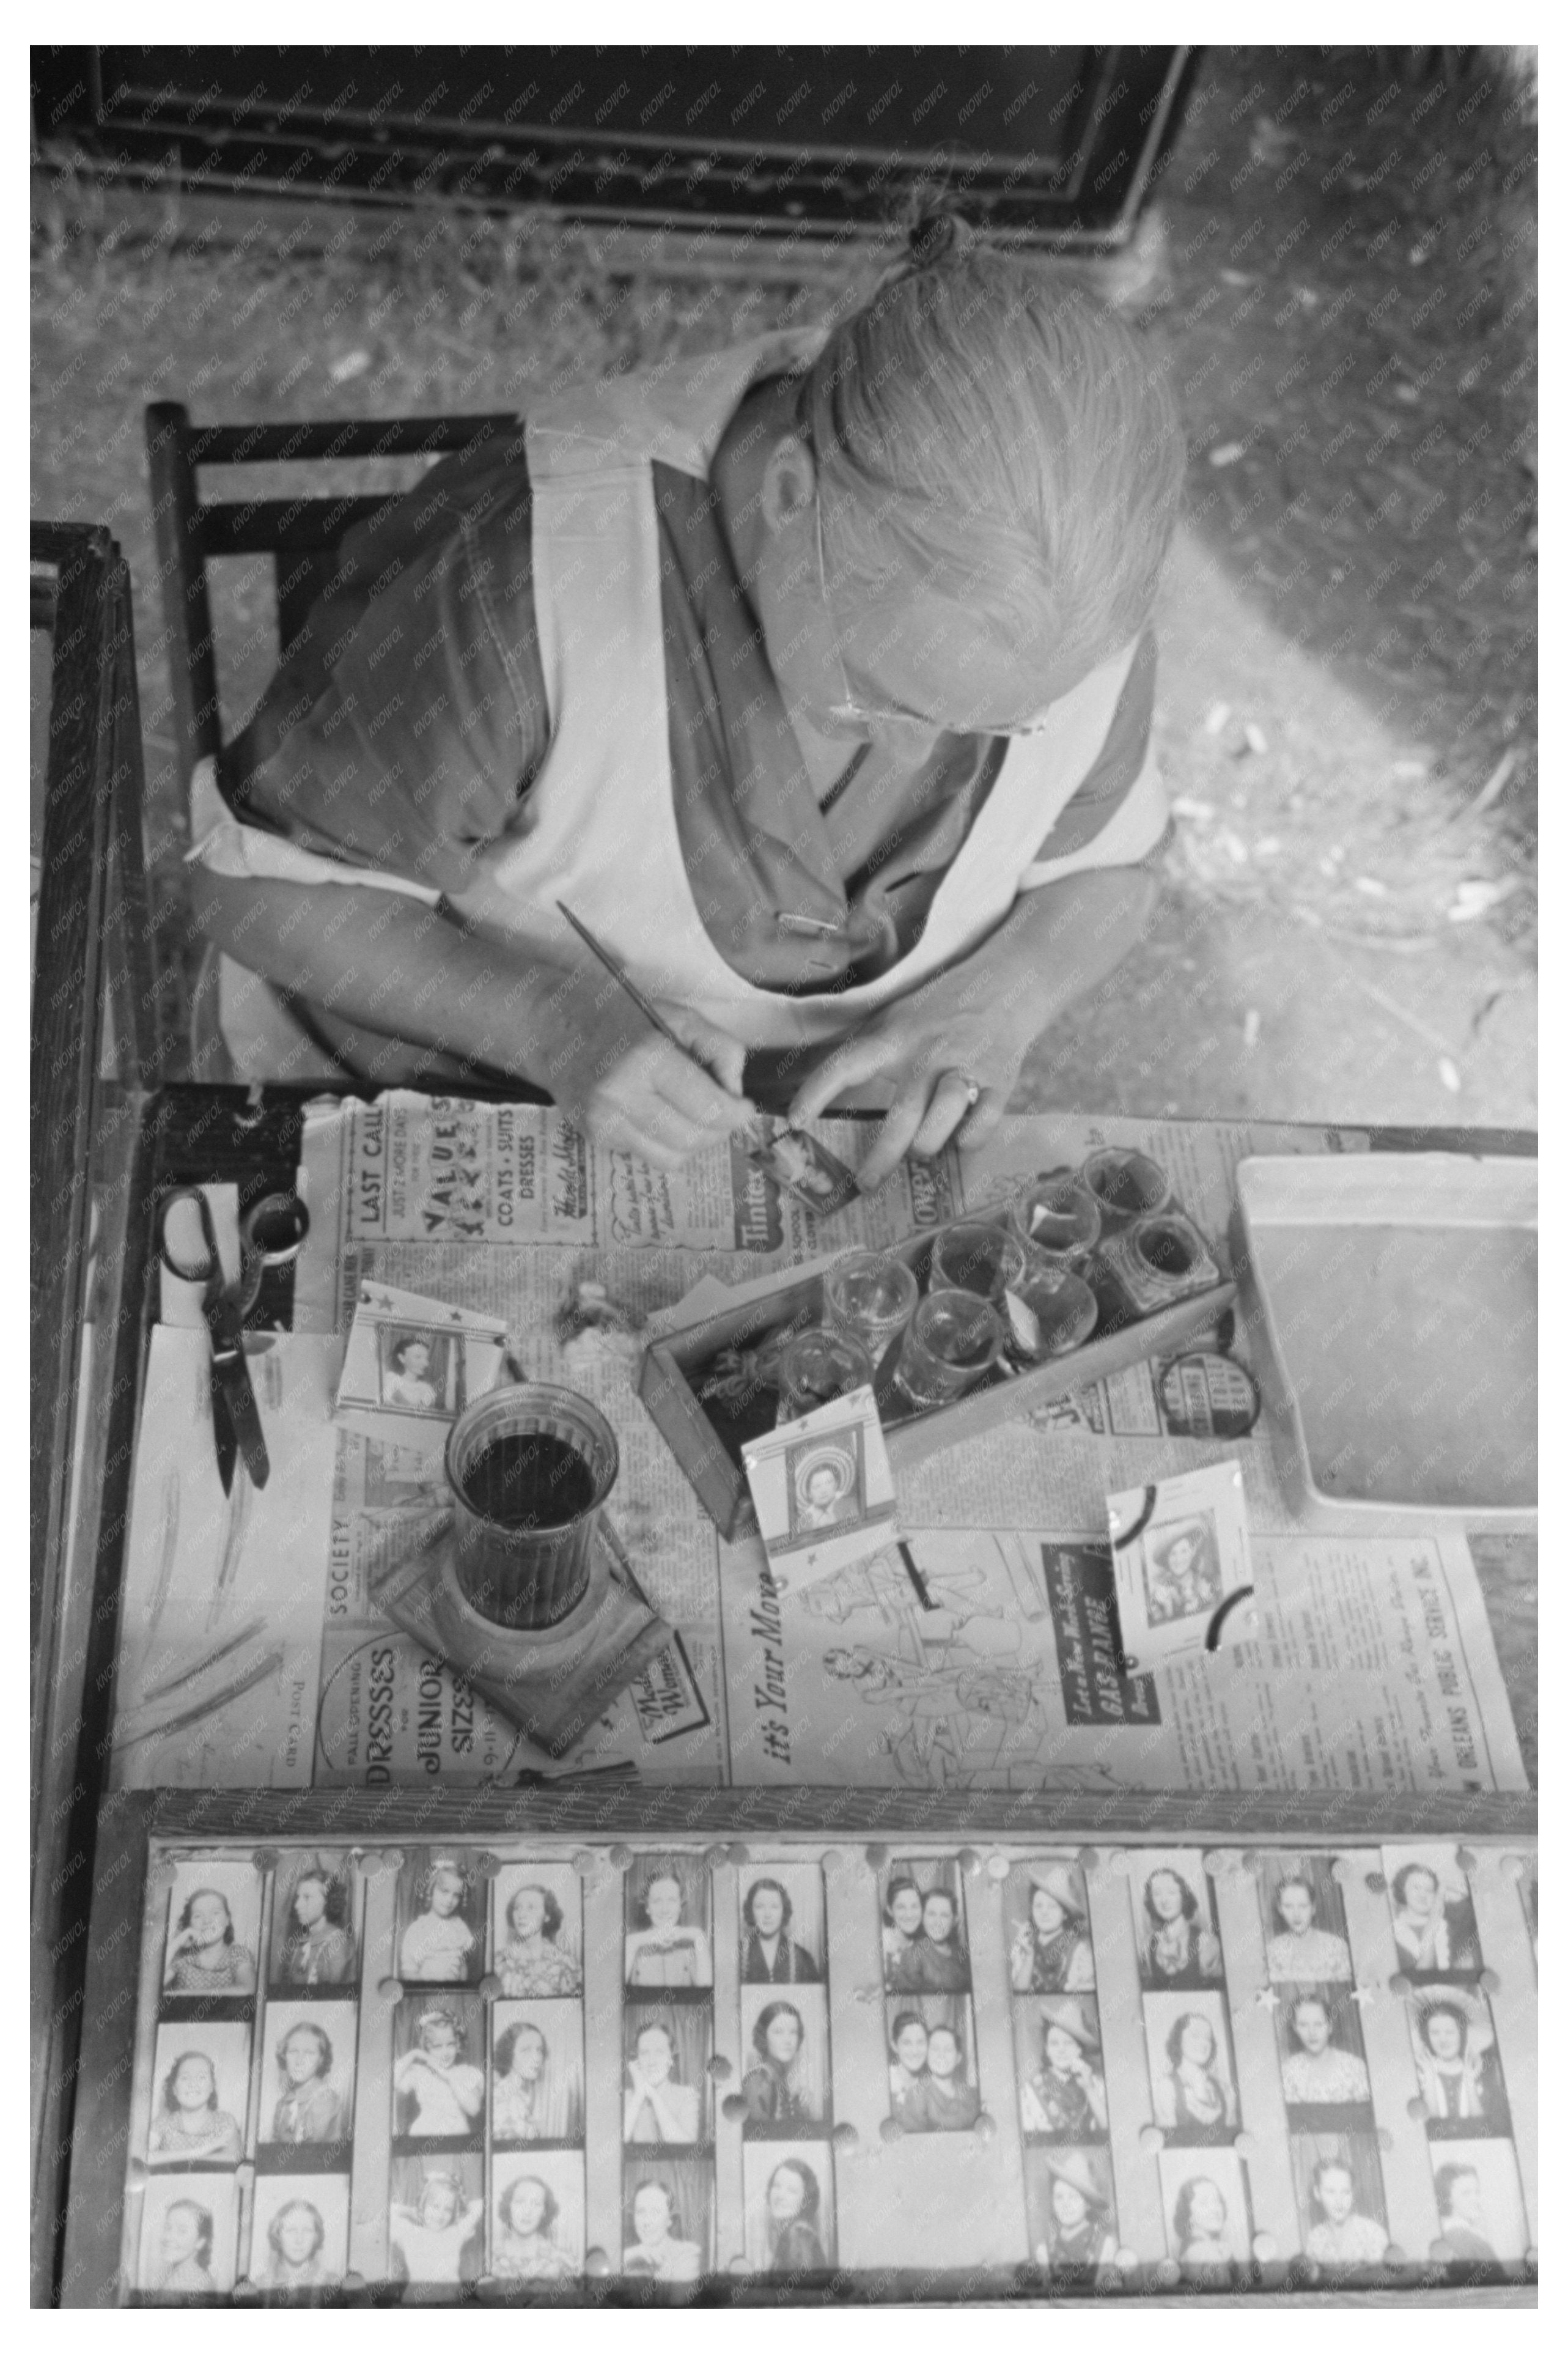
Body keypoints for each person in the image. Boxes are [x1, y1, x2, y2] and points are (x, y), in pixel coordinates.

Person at [187, 225, 1182, 1189]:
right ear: (791, 490)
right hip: (455, 1105)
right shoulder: (514, 577)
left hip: (820, 1155)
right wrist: (549, 1024)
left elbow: (1106, 872)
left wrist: (1006, 996)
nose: (919, 754)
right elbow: (251, 892)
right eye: (880, 696)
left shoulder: (1067, 598)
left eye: (1002, 726)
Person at [1412, 1994, 1509, 2130]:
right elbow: (1428, 2129)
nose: (1443, 2040)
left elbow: (1482, 2128)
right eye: (1435, 2033)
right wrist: (1429, 2078)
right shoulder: (1418, 2071)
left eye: (1450, 2032)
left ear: (1462, 2033)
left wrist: (1470, 2082)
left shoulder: (1481, 2069)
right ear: (1427, 2036)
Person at [1019, 1999, 1109, 2139]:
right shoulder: (1030, 2091)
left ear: (1079, 2050)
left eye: (1068, 2043)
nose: (1062, 2050)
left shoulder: (1096, 2084)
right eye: (1054, 2043)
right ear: (1047, 2050)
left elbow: (1108, 2128)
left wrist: (1088, 2087)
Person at [394, 2006, 485, 2139]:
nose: (445, 2053)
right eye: (437, 2046)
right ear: (427, 2048)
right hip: (423, 2135)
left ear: (458, 2044)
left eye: (451, 2044)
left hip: (457, 2137)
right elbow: (392, 2083)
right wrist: (415, 2054)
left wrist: (448, 2076)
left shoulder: (467, 2073)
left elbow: (474, 2109)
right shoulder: (421, 2073)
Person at [1009, 1864, 1095, 1994]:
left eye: (1053, 1906)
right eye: (1038, 1906)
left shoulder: (1079, 1950)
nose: (1044, 1912)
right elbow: (1019, 1994)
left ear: (1065, 1914)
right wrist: (1028, 1956)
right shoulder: (1024, 1944)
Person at [148, 2051, 245, 2166]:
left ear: (212, 2087)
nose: (193, 2084)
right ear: (174, 2088)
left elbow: (235, 2159)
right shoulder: (163, 2123)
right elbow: (145, 2158)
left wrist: (172, 2157)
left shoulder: (224, 2121)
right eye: (185, 2078)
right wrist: (202, 2150)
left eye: (201, 2077)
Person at [388, 2172, 484, 2284]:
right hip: (417, 2300)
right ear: (423, 2204)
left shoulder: (455, 2233)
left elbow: (481, 2205)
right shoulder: (410, 2233)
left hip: (450, 2300)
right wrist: (413, 2212)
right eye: (435, 2206)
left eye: (448, 2209)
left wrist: (461, 2207)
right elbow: (388, 2210)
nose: (440, 2215)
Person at [1153, 2012, 1237, 2136]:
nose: (1203, 2042)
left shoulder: (1224, 2090)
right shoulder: (1166, 2087)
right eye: (1195, 2035)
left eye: (1208, 2037)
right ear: (1179, 2040)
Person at [1279, 1994, 1372, 2107]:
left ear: (1330, 2026)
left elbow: (1365, 2117)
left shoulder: (1355, 2067)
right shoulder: (1288, 2071)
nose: (1312, 2032)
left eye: (1319, 2024)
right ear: (1295, 2028)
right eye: (1303, 2025)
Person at [625, 1872, 713, 1990]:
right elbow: (613, 1994)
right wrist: (633, 1942)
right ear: (647, 1908)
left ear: (680, 1906)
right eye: (657, 1901)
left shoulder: (691, 1947)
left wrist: (699, 1936)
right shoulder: (632, 1946)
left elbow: (706, 1993)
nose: (665, 1909)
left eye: (672, 1900)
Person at [1035, 2149, 1118, 2272]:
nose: (1066, 2204)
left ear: (1088, 2204)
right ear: (1053, 2203)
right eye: (1059, 2197)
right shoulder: (1044, 2251)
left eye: (1074, 2197)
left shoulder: (1107, 2246)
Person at [495, 1882, 582, 1998]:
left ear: (547, 1916)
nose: (522, 1914)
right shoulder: (499, 1962)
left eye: (531, 1907)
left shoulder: (565, 1963)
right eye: (517, 1908)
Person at [1392, 1862, 1478, 1977]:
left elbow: (1477, 1897)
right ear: (1403, 1889)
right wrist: (1431, 1928)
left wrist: (1444, 1887)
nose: (1423, 1895)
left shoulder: (1448, 1920)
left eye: (1429, 1890)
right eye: (1416, 1888)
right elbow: (1419, 1976)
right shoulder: (1394, 1933)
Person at [1141, 1867, 1223, 1988]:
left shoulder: (1206, 1943)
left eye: (1171, 1892)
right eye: (1157, 1894)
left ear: (1184, 1896)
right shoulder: (1147, 1945)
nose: (1164, 1900)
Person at [399, 1859, 477, 1984]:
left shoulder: (459, 1927)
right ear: (431, 1889)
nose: (449, 1900)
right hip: (426, 1994)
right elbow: (409, 1971)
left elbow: (462, 1966)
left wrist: (460, 1985)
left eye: (456, 1895)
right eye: (444, 1892)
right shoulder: (419, 1929)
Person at [164, 1888, 257, 1994]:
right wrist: (177, 1943)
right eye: (198, 1916)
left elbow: (248, 1989)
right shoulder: (183, 1956)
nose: (207, 1920)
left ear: (228, 1919)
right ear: (190, 1924)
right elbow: (152, 1988)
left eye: (215, 1913)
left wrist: (183, 1994)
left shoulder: (239, 1953)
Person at [270, 2020, 348, 2144]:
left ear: (322, 2060)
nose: (300, 2060)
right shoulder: (283, 2104)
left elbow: (308, 2157)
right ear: (284, 2055)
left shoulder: (325, 2100)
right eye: (293, 2051)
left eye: (310, 2053)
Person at [741, 2001, 814, 2133]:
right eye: (778, 2032)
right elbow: (761, 2137)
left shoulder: (778, 2077)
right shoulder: (759, 2080)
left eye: (793, 2032)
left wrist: (800, 2108)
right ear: (763, 2036)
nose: (788, 2040)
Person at [624, 2021, 701, 2146]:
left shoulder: (687, 2095)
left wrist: (654, 2095)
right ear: (637, 2060)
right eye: (644, 2053)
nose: (651, 2061)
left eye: (659, 2052)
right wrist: (639, 2095)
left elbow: (685, 2147)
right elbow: (614, 2147)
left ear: (671, 2060)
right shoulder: (626, 2098)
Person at [1304, 2160, 1390, 2270]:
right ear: (1317, 2193)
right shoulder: (1315, 2239)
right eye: (1331, 2192)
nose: (1339, 2201)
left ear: (1353, 2194)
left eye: (1345, 2192)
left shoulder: (1373, 2234)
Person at [1265, 1875, 1351, 1984]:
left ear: (1313, 1908)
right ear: (1280, 1909)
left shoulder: (1337, 1947)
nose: (1296, 1914)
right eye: (1288, 1906)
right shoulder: (1272, 1951)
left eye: (1303, 1906)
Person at [278, 1867, 356, 1988]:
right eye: (298, 1898)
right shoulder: (302, 1941)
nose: (297, 1905)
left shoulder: (337, 1943)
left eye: (307, 1897)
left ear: (328, 1900)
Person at [491, 2175, 578, 2281]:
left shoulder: (563, 2261)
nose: (527, 2211)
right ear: (509, 2206)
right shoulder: (490, 2260)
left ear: (545, 2212)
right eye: (519, 2202)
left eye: (536, 2204)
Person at [740, 1879, 820, 1985]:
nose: (767, 1915)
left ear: (784, 1911)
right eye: (760, 1907)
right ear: (750, 1910)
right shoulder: (738, 1956)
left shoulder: (802, 1959)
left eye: (774, 1907)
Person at [624, 2180, 704, 2281]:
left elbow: (677, 2295)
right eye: (640, 2212)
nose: (647, 2222)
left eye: (655, 2212)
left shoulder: (687, 2253)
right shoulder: (626, 2255)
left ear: (670, 2220)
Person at [910, 2022, 981, 2132]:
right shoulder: (916, 2095)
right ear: (927, 2055)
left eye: (948, 2050)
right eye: (935, 2049)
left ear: (958, 2058)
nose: (941, 2055)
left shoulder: (972, 2095)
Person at [491, 2021, 554, 2144]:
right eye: (526, 2050)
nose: (537, 2058)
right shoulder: (503, 2095)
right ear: (508, 2053)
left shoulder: (519, 2095)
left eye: (539, 2050)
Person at [901, 1886, 970, 1993]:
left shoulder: (962, 1953)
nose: (937, 1922)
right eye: (931, 1914)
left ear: (955, 1921)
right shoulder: (913, 1955)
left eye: (945, 1915)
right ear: (922, 1918)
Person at [765, 2159, 830, 2273]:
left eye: (792, 2191)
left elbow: (798, 2289)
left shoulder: (799, 2235)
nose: (780, 2195)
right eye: (776, 2186)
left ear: (805, 2200)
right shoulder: (790, 2233)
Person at [261, 2199, 339, 2290]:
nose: (299, 2240)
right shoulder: (260, 2284)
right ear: (278, 2235)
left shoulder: (333, 2283)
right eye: (291, 2230)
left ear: (316, 2237)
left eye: (307, 2230)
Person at [1172, 2176, 1238, 2282]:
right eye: (1204, 2203)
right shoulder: (1205, 2254)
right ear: (1187, 2212)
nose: (1215, 2209)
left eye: (1217, 2201)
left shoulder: (1193, 2249)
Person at [1432, 2163, 1499, 2264]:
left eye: (1477, 2192)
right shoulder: (1469, 2241)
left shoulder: (1443, 2234)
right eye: (1466, 2193)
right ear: (1447, 2198)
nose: (1475, 2200)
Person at [151, 2199, 216, 2294]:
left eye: (182, 2231)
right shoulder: (176, 2273)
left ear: (200, 2242)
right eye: (168, 2227)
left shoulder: (188, 2282)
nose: (168, 2237)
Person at [882, 1878, 928, 1990]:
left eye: (915, 1906)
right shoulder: (881, 1943)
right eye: (901, 1907)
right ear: (890, 1910)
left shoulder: (926, 1943)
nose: (909, 1915)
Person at [888, 2012, 930, 2124]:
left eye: (921, 2042)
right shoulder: (885, 2083)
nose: (915, 2051)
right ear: (895, 2046)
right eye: (907, 2043)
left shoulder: (931, 2084)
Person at [383, 1334, 440, 1410]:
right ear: (402, 1358)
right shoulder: (391, 1379)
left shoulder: (427, 1389)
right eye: (418, 1357)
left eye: (426, 1358)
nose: (426, 1363)